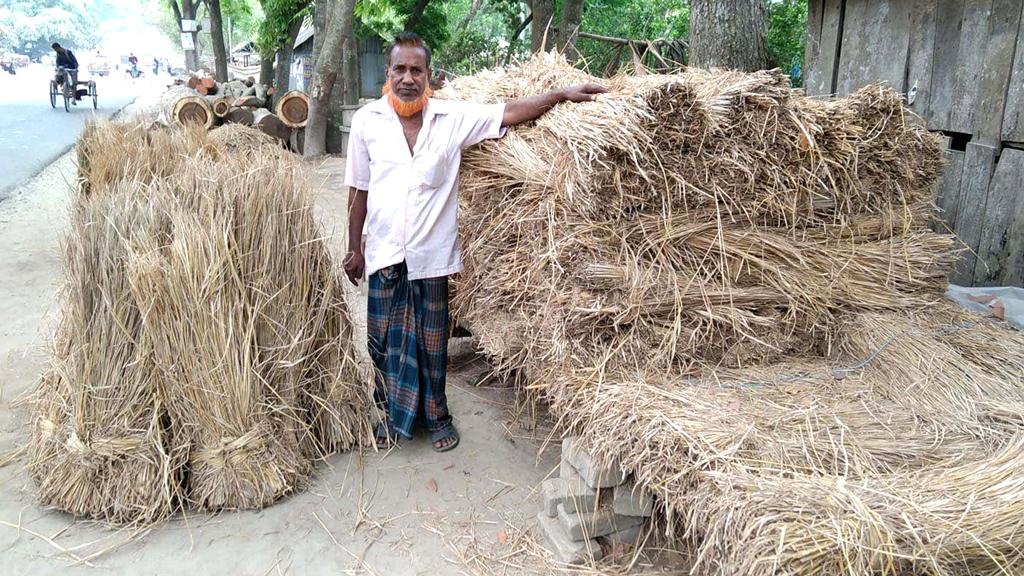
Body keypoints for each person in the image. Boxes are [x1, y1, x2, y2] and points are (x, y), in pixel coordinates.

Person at [343, 32, 605, 452]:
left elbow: (508, 113)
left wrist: (560, 94)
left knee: (431, 345)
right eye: (399, 69)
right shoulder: (366, 122)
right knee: (383, 341)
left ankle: (437, 417)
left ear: (429, 76)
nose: (407, 78)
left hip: (431, 258)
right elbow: (358, 190)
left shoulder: (451, 119)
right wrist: (354, 248)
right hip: (384, 254)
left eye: (416, 70)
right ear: (387, 74)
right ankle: (393, 417)